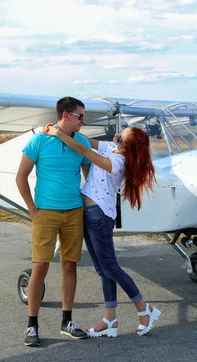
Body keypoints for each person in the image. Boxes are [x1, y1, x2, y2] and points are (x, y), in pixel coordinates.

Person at [42, 123, 160, 337]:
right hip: (88, 214)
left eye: (121, 136)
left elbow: (84, 150)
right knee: (102, 269)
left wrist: (58, 133)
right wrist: (64, 128)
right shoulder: (110, 148)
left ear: (126, 146)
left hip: (99, 215)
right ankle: (110, 319)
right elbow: (87, 142)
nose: (117, 135)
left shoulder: (117, 161)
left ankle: (144, 308)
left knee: (111, 267)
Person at [16, 96, 92, 346]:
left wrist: (85, 200)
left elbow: (89, 174)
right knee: (40, 268)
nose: (84, 120)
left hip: (73, 212)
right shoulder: (39, 140)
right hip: (46, 212)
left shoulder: (79, 142)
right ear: (66, 115)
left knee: (69, 266)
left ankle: (67, 321)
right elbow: (21, 177)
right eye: (80, 116)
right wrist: (32, 210)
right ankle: (32, 325)